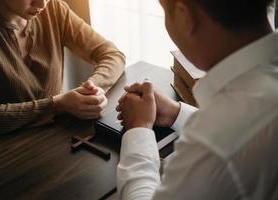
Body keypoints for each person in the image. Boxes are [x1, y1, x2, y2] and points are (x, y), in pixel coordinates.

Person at [116, 0, 278, 199]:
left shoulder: (216, 145)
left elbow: (228, 138)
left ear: (185, 16)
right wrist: (177, 113)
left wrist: (138, 129)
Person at [0, 0, 125, 136]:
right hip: (0, 152)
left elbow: (112, 54)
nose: (42, 4)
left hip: (55, 138)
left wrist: (91, 90)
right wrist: (57, 105)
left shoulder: (54, 8)